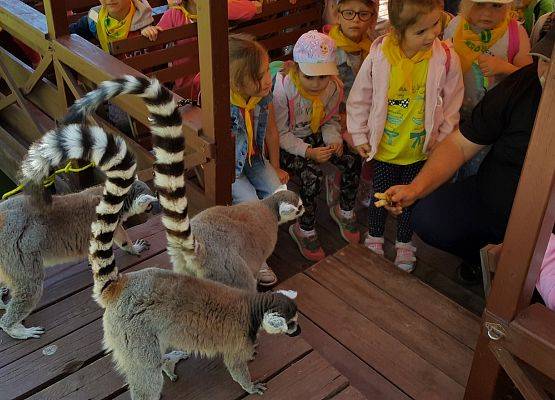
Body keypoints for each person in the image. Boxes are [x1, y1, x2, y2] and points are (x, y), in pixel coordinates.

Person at [382, 18, 554, 284]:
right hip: (493, 202)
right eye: (545, 59)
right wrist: (415, 188)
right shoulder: (526, 82)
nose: (546, 74)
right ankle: (482, 259)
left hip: (548, 231)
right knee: (429, 216)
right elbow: (461, 144)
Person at [347, 0, 464, 272]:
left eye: (436, 24)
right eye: (421, 31)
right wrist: (359, 134)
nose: (432, 34)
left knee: (410, 201)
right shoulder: (379, 56)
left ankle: (404, 242)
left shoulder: (445, 57)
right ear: (398, 31)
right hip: (386, 149)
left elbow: (452, 104)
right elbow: (360, 97)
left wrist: (443, 141)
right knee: (380, 196)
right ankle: (375, 236)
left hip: (422, 151)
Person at [273, 30, 362, 261]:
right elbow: (280, 134)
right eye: (309, 76)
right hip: (289, 144)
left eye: (322, 77)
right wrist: (308, 152)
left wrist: (333, 139)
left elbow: (330, 119)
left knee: (352, 160)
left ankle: (344, 209)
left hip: (316, 136)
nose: (316, 83)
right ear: (296, 69)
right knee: (311, 176)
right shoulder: (284, 89)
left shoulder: (333, 87)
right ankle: (304, 228)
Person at [444, 0, 533, 178]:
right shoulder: (455, 26)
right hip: (454, 118)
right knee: (449, 170)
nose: (487, 13)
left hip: (493, 126)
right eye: (480, 4)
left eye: (496, 6)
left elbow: (530, 80)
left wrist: (505, 68)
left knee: (479, 174)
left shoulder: (516, 32)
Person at [228, 35, 289, 285]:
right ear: (238, 82)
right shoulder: (221, 104)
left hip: (255, 160)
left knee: (280, 196)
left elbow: (272, 130)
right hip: (231, 170)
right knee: (251, 204)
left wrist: (275, 164)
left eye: (267, 71)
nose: (268, 79)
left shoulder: (262, 95)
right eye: (260, 75)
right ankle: (256, 258)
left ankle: (260, 239)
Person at [140, 0, 265, 92]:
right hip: (188, 87)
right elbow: (157, 42)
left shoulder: (217, 8)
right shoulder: (174, 14)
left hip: (220, 82)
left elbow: (250, 9)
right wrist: (150, 31)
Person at [69, 0, 154, 56]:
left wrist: (149, 31)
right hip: (107, 75)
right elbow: (68, 35)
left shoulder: (145, 20)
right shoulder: (94, 17)